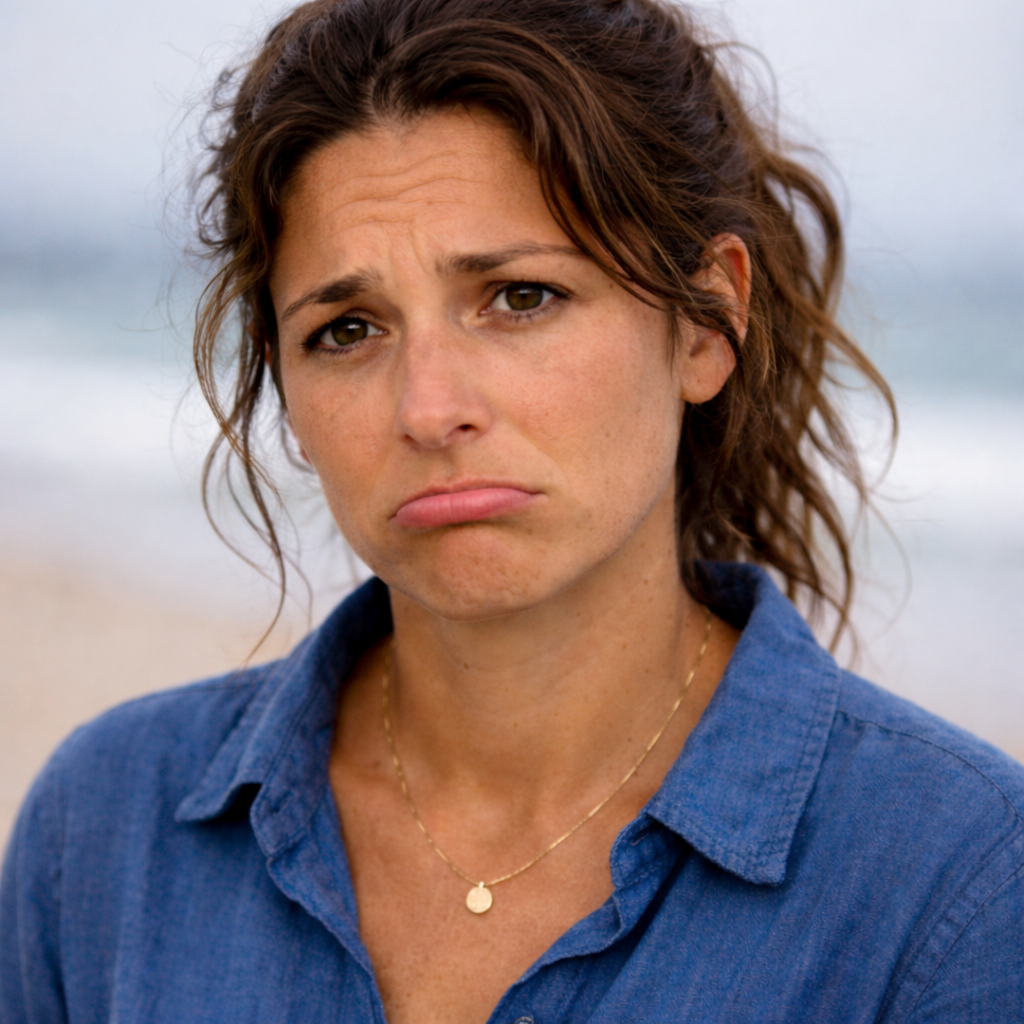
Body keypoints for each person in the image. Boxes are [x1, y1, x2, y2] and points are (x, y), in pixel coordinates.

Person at [2, 0, 1022, 1020]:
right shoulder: (103, 834)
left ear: (709, 320)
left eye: (519, 297)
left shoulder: (956, 882)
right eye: (348, 328)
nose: (428, 408)